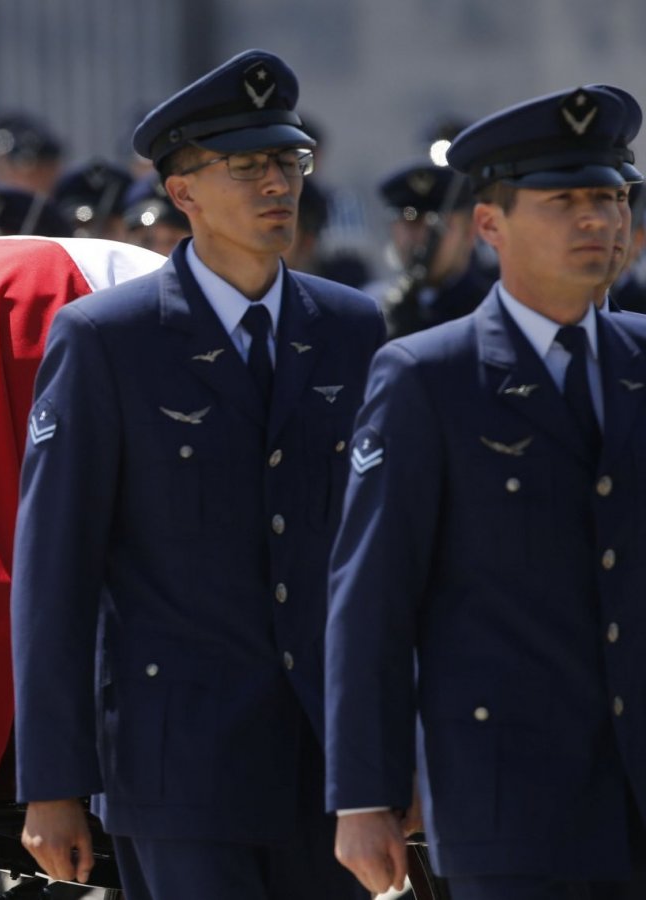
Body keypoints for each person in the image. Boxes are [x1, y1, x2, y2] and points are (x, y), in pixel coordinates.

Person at [10, 49, 383, 900]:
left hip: (329, 766)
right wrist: (53, 783)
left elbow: (383, 559)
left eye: (288, 161)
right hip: (177, 765)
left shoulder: (350, 328)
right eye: (247, 166)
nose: (277, 183)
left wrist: (400, 757)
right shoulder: (108, 340)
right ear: (182, 193)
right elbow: (55, 574)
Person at [326, 85, 646, 900]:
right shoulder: (427, 375)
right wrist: (365, 793)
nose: (598, 222)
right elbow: (373, 597)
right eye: (566, 200)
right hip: (510, 799)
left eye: (611, 198)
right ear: (490, 224)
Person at [368, 159, 492, 336]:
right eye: (411, 220)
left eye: (440, 225)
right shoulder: (376, 309)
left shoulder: (488, 312)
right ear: (393, 228)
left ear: (470, 232)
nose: (423, 237)